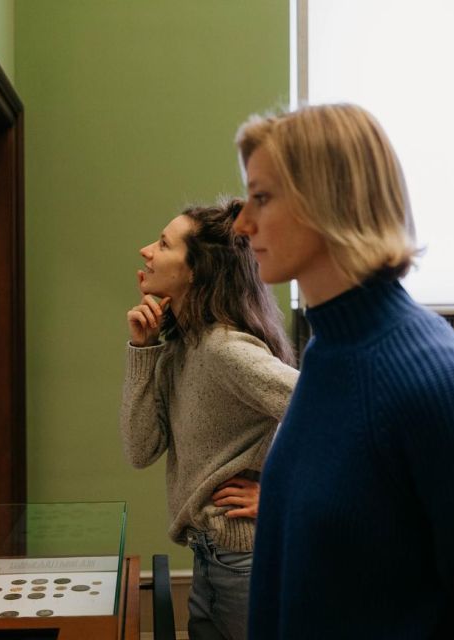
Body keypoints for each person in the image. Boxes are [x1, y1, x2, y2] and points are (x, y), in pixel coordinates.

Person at [231, 103, 454, 638]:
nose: (243, 224)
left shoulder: (437, 381)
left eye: (262, 197)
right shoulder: (329, 351)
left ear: (329, 201)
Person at [119, 198, 299, 640]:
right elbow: (139, 450)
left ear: (196, 270)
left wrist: (281, 495)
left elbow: (342, 415)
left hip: (245, 566)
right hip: (210, 556)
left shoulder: (225, 350)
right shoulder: (184, 345)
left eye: (163, 244)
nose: (147, 251)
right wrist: (142, 351)